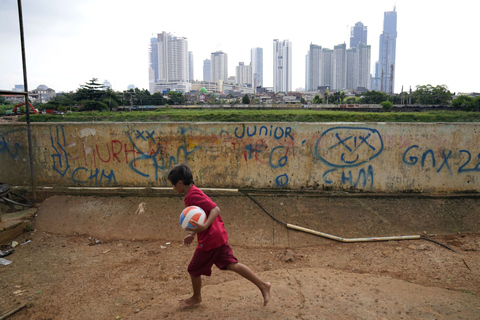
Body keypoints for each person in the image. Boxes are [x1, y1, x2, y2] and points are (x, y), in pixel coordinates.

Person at [167, 163, 271, 307]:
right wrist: (193, 233)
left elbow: (215, 209)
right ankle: (263, 285)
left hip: (210, 240)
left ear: (180, 182)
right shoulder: (193, 193)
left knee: (193, 269)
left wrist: (203, 226)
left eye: (173, 185)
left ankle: (196, 298)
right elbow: (201, 217)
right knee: (232, 264)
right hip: (217, 236)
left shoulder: (193, 196)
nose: (173, 188)